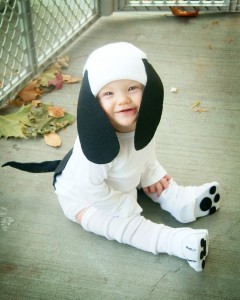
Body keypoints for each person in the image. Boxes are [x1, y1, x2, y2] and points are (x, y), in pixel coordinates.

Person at [3, 42, 220, 271]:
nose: (123, 100)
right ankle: (177, 243)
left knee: (155, 180)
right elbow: (90, 189)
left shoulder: (141, 123)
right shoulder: (93, 154)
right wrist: (122, 206)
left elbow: (145, 154)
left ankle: (181, 202)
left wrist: (152, 175)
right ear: (93, 102)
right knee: (124, 225)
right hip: (84, 198)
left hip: (122, 176)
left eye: (132, 88)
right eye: (108, 93)